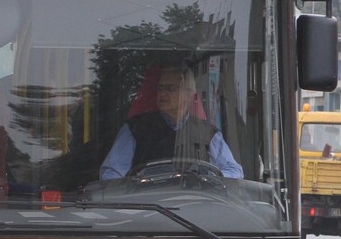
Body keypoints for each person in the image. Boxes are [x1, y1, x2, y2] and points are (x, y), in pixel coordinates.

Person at [100, 66, 242, 180]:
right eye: (161, 88)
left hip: (195, 206)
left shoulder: (209, 133)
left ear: (189, 95)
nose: (162, 93)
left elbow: (234, 171)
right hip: (145, 205)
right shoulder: (134, 129)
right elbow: (111, 174)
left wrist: (208, 179)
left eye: (170, 88)